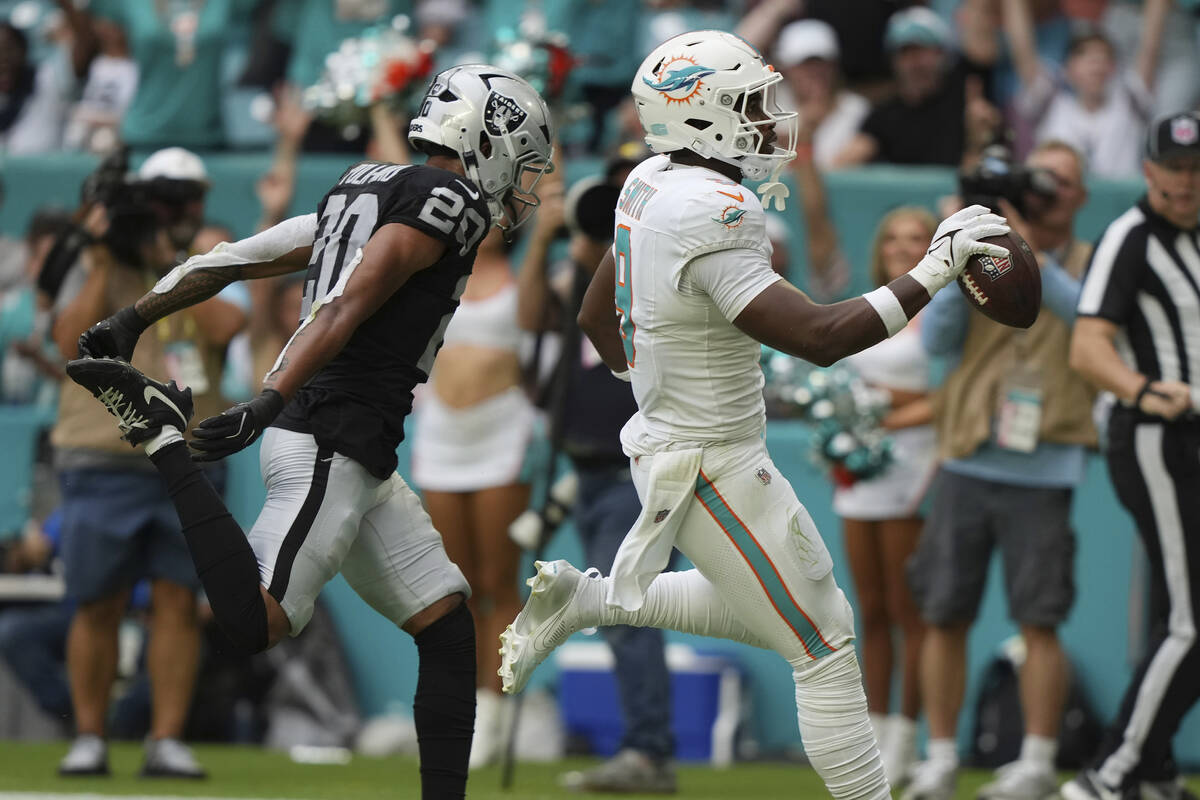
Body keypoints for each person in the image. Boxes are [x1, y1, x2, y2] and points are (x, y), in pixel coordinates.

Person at [495, 30, 1011, 800]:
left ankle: (592, 598)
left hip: (695, 447)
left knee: (793, 613)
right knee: (824, 643)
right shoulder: (716, 207)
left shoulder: (650, 179)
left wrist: (658, 385)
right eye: (751, 106)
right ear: (701, 117)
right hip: (708, 462)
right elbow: (819, 337)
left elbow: (597, 313)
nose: (773, 121)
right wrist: (934, 269)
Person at [64, 65, 554, 800]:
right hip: (330, 435)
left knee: (448, 625)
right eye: (518, 154)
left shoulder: (369, 183)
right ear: (481, 139)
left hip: (359, 446)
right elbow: (344, 308)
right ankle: (165, 443)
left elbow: (239, 258)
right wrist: (268, 400)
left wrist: (135, 318)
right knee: (253, 622)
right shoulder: (448, 201)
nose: (522, 179)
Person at [904, 139, 1097, 800]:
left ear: (1080, 196)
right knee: (943, 611)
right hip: (966, 452)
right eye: (1037, 179)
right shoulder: (984, 253)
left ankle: (1038, 760)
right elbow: (937, 342)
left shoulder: (1093, 264)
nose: (1047, 192)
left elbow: (1090, 320)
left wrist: (1027, 252)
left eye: (1060, 182)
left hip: (1046, 463)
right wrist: (969, 248)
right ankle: (938, 759)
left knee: (1040, 618)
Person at [49, 147, 247, 779]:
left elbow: (225, 326)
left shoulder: (208, 254)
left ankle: (165, 739)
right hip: (102, 452)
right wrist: (107, 255)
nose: (180, 209)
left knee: (176, 601)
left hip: (184, 457)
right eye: (167, 196)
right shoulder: (100, 252)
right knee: (96, 601)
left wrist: (170, 265)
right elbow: (67, 344)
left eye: (190, 196)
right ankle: (89, 736)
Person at [515, 167, 677, 793]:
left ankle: (648, 751)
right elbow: (529, 318)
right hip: (585, 471)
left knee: (624, 610)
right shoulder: (572, 282)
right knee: (619, 610)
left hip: (634, 474)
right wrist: (546, 239)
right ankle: (646, 748)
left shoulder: (653, 282)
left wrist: (615, 250)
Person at [1064, 111, 1200, 800]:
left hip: (1189, 441)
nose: (1185, 182)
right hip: (1158, 438)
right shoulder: (1130, 237)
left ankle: (1151, 770)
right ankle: (1108, 776)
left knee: (1182, 617)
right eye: (1174, 169)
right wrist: (1145, 391)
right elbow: (1087, 347)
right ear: (1149, 170)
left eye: (1195, 168)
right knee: (1191, 620)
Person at [410, 225, 537, 769]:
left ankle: (495, 713)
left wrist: (551, 223)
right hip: (440, 438)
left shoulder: (522, 275)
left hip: (501, 437)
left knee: (497, 582)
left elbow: (530, 321)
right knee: (453, 588)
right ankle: (458, 709)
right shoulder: (435, 271)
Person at [830, 207, 938, 788]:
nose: (901, 247)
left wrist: (878, 414)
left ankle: (906, 735)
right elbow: (840, 386)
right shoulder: (867, 305)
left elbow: (949, 398)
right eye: (891, 237)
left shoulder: (942, 312)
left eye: (915, 238)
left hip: (912, 470)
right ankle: (872, 738)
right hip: (859, 475)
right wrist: (844, 433)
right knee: (868, 611)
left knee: (908, 611)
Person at [1003, 0, 1169, 179]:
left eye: (1104, 55)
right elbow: (1022, 49)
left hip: (1119, 203)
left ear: (1113, 68)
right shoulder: (1048, 100)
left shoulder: (1130, 98)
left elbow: (1150, 49)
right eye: (1084, 54)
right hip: (1059, 202)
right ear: (1066, 69)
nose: (1096, 62)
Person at [834, 5, 1000, 168]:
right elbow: (844, 163)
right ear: (893, 61)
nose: (915, 63)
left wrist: (977, 142)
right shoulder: (883, 116)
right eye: (906, 52)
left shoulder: (966, 104)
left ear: (941, 53)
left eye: (923, 51)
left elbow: (977, 181)